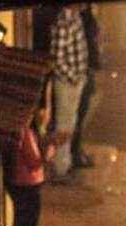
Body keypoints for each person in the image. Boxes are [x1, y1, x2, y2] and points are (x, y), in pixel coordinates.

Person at [5, 107, 55, 226]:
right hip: (26, 185)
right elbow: (34, 160)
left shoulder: (28, 131)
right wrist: (49, 150)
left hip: (27, 184)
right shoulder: (24, 133)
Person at [49, 3, 90, 182]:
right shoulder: (63, 23)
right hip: (67, 82)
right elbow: (56, 59)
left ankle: (65, 164)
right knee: (64, 125)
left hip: (75, 80)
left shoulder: (75, 18)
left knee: (70, 123)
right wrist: (74, 77)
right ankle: (60, 168)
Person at [70, 3, 100, 170]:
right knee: (76, 116)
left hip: (86, 71)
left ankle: (76, 150)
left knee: (80, 116)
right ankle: (73, 154)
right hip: (80, 73)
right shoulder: (80, 18)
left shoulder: (86, 16)